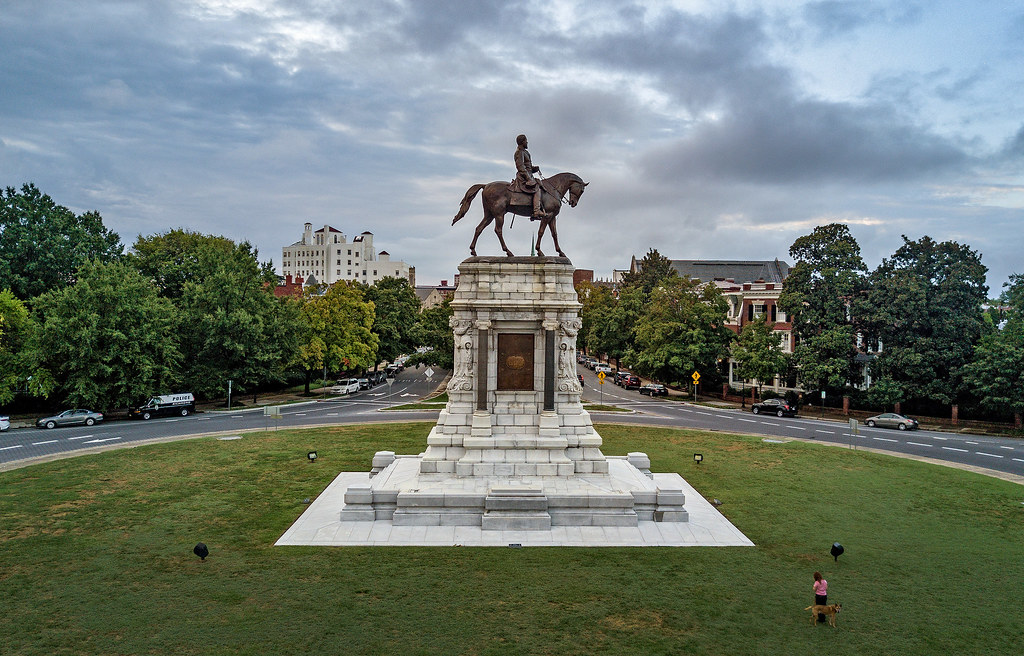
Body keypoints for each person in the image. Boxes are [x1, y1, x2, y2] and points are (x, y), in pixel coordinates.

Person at [512, 134, 550, 219]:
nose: (527, 142)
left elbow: (528, 167)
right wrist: (528, 178)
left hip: (529, 175)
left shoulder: (526, 153)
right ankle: (536, 211)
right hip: (524, 177)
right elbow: (521, 167)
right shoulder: (519, 152)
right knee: (536, 188)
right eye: (526, 141)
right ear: (522, 142)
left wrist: (534, 169)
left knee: (540, 185)